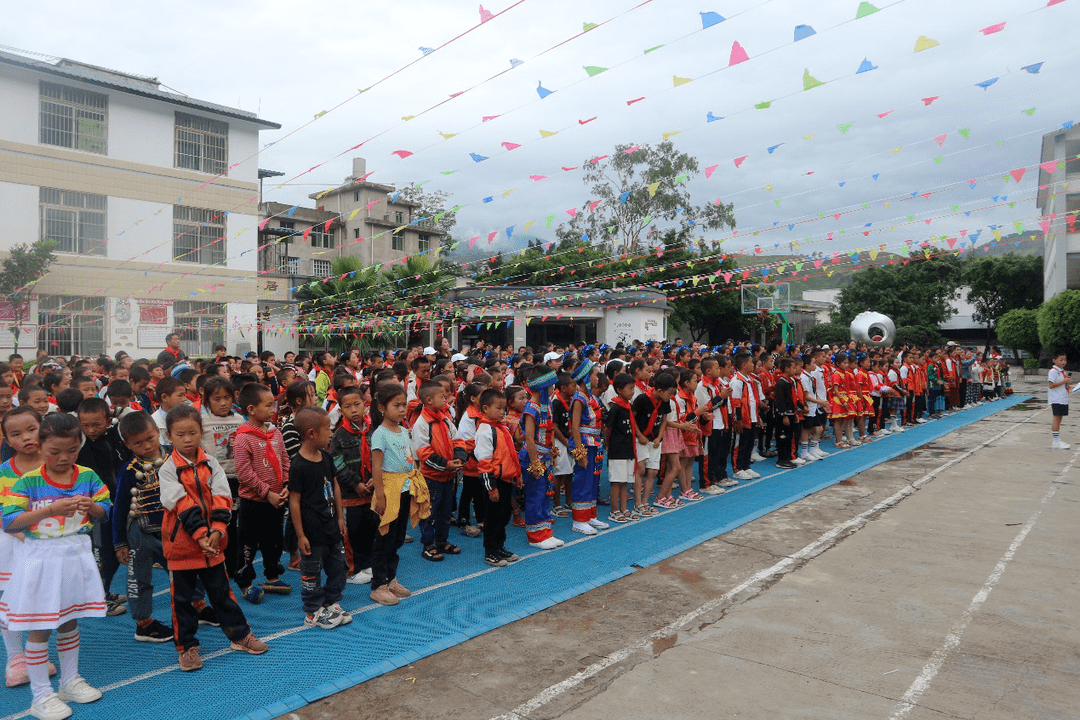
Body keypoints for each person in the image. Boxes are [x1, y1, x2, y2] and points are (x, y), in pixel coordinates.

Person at [0, 413, 110, 719]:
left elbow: (105, 508)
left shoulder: (86, 475)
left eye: (71, 451)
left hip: (76, 555)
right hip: (40, 559)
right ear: (42, 445)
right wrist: (49, 509)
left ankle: (69, 680)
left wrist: (94, 507)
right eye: (55, 452)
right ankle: (40, 695)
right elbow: (9, 521)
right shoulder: (28, 480)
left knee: (70, 619)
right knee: (41, 625)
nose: (64, 458)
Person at [158, 405, 268, 671]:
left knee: (222, 595)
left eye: (192, 433)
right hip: (183, 547)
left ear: (201, 432)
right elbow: (179, 503)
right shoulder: (167, 469)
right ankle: (186, 648)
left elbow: (223, 496)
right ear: (169, 436)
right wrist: (200, 534)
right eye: (180, 434)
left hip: (212, 546)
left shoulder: (211, 462)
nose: (187, 439)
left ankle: (241, 636)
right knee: (182, 602)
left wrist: (217, 530)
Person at [113, 411, 218, 643]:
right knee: (139, 578)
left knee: (192, 566)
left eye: (150, 438)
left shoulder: (176, 455)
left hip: (179, 527)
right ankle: (144, 623)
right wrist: (119, 541)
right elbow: (120, 507)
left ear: (158, 433)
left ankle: (198, 605)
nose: (146, 446)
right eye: (137, 443)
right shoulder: (129, 470)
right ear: (126, 444)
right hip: (141, 532)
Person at [0, 407, 59, 689]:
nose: (26, 437)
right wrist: (23, 535)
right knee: (10, 599)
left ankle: (37, 653)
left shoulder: (56, 464)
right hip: (14, 544)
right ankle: (15, 659)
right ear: (7, 439)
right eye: (16, 433)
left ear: (43, 428)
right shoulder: (4, 472)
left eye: (31, 429)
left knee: (42, 598)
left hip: (51, 542)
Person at [288, 406, 352, 629]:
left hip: (331, 527)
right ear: (311, 434)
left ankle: (330, 602)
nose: (331, 433)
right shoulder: (298, 465)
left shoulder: (325, 456)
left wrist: (340, 518)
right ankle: (312, 611)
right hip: (312, 533)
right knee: (312, 573)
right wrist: (300, 535)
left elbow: (334, 485)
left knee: (339, 567)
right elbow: (294, 501)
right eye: (327, 429)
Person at [369, 384, 430, 606]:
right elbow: (376, 468)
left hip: (406, 489)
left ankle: (391, 578)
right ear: (382, 408)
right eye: (397, 405)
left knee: (396, 538)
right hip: (389, 490)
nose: (402, 409)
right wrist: (381, 495)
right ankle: (378, 585)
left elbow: (410, 459)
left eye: (404, 404)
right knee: (384, 538)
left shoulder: (405, 431)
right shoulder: (380, 434)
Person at [233, 383, 291, 602]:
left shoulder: (275, 432)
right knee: (248, 543)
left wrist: (285, 484)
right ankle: (245, 582)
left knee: (274, 539)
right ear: (251, 409)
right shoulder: (243, 438)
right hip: (253, 502)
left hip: (276, 500)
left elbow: (284, 459)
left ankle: (272, 576)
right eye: (267, 405)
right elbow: (245, 473)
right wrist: (268, 493)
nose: (272, 409)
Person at [75, 397, 127, 618]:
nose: (90, 430)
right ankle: (99, 598)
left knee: (115, 552)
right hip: (97, 508)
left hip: (118, 503)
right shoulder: (80, 442)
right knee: (103, 553)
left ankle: (102, 591)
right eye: (85, 425)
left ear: (108, 420)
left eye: (96, 424)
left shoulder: (115, 434)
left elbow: (129, 418)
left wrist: (120, 412)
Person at [413, 380, 467, 562]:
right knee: (429, 513)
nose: (446, 399)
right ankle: (428, 545)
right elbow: (424, 454)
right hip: (432, 478)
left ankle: (441, 541)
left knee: (445, 512)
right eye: (442, 396)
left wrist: (459, 457)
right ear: (429, 400)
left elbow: (457, 439)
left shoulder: (444, 418)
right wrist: (446, 464)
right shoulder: (422, 423)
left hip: (448, 476)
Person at [329, 386, 376, 584]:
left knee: (370, 529)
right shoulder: (339, 435)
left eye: (357, 404)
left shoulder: (373, 430)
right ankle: (353, 568)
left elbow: (379, 456)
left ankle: (368, 563)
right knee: (352, 533)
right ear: (341, 411)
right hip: (350, 495)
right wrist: (356, 483)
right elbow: (337, 463)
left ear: (365, 405)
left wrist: (377, 478)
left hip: (372, 491)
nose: (354, 410)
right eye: (348, 407)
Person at [474, 388, 522, 567]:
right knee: (493, 518)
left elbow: (510, 455)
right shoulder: (485, 431)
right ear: (485, 408)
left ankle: (499, 546)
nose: (502, 412)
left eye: (504, 409)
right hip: (495, 482)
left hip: (507, 480)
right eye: (498, 408)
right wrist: (491, 488)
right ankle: (490, 551)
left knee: (504, 516)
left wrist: (517, 475)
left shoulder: (501, 428)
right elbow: (484, 463)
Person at [518, 366, 564, 550]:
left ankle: (545, 532)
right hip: (533, 458)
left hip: (544, 457)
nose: (555, 389)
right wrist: (535, 462)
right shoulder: (531, 409)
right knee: (535, 496)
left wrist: (552, 452)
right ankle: (535, 536)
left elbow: (549, 431)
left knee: (545, 495)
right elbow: (529, 438)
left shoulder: (547, 406)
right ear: (544, 387)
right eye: (552, 385)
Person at [605, 374, 641, 522]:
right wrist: (608, 445)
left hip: (628, 448)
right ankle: (614, 510)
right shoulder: (616, 408)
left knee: (625, 480)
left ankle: (624, 508)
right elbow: (608, 429)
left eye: (633, 388)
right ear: (619, 390)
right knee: (616, 481)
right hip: (617, 449)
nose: (632, 391)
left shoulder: (628, 406)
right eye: (630, 388)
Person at [151, 377, 187, 445]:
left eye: (184, 395)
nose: (183, 399)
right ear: (164, 397)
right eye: (180, 395)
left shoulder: (188, 416)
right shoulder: (154, 422)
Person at [1048, 352, 1071, 449]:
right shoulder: (1053, 371)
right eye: (1061, 359)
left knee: (1059, 419)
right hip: (1057, 399)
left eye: (1064, 360)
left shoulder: (1062, 371)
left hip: (1062, 398)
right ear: (1054, 360)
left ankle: (1057, 440)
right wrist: (1064, 381)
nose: (1063, 362)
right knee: (1057, 419)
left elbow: (1062, 385)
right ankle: (1055, 442)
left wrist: (1070, 385)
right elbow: (1051, 385)